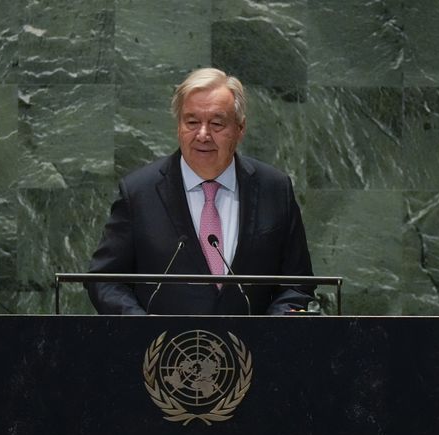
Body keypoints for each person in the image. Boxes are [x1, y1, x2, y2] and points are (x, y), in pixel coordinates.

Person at [87, 67, 314, 315]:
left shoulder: (275, 189)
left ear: (240, 128)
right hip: (163, 350)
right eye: (192, 122)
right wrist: (143, 328)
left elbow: (297, 284)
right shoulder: (139, 192)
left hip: (255, 350)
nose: (203, 135)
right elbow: (106, 279)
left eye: (217, 124)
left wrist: (271, 330)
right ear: (179, 127)